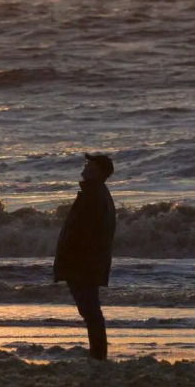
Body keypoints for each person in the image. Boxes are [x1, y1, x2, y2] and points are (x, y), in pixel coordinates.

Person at [53, 153, 117, 360]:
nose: (86, 166)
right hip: (86, 262)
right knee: (90, 311)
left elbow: (84, 233)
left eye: (90, 164)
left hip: (83, 264)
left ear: (98, 171)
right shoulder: (95, 193)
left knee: (91, 312)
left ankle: (98, 355)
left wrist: (70, 258)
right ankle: (97, 354)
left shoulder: (94, 195)